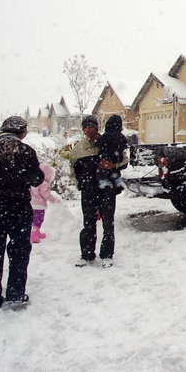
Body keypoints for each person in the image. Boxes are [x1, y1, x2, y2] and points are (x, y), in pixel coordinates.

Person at [0, 115, 44, 315]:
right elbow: (36, 178)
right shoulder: (25, 151)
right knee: (19, 252)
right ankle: (15, 293)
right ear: (22, 132)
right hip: (17, 211)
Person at [69, 115, 124, 268]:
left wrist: (113, 165)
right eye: (85, 127)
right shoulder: (79, 148)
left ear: (96, 127)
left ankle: (107, 255)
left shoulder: (108, 140)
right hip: (88, 191)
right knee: (88, 224)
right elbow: (72, 169)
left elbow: (124, 159)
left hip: (107, 190)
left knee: (108, 223)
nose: (88, 129)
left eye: (90, 126)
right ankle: (86, 255)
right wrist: (79, 184)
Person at [94, 114, 128, 192]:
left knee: (101, 170)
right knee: (115, 171)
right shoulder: (121, 136)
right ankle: (118, 182)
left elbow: (98, 143)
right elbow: (124, 145)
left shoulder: (105, 136)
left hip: (105, 157)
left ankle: (103, 183)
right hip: (117, 158)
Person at [29, 163, 59, 243]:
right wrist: (54, 200)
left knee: (34, 219)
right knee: (39, 219)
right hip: (39, 205)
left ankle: (36, 232)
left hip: (32, 204)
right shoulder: (44, 183)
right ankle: (34, 234)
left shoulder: (33, 181)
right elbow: (46, 195)